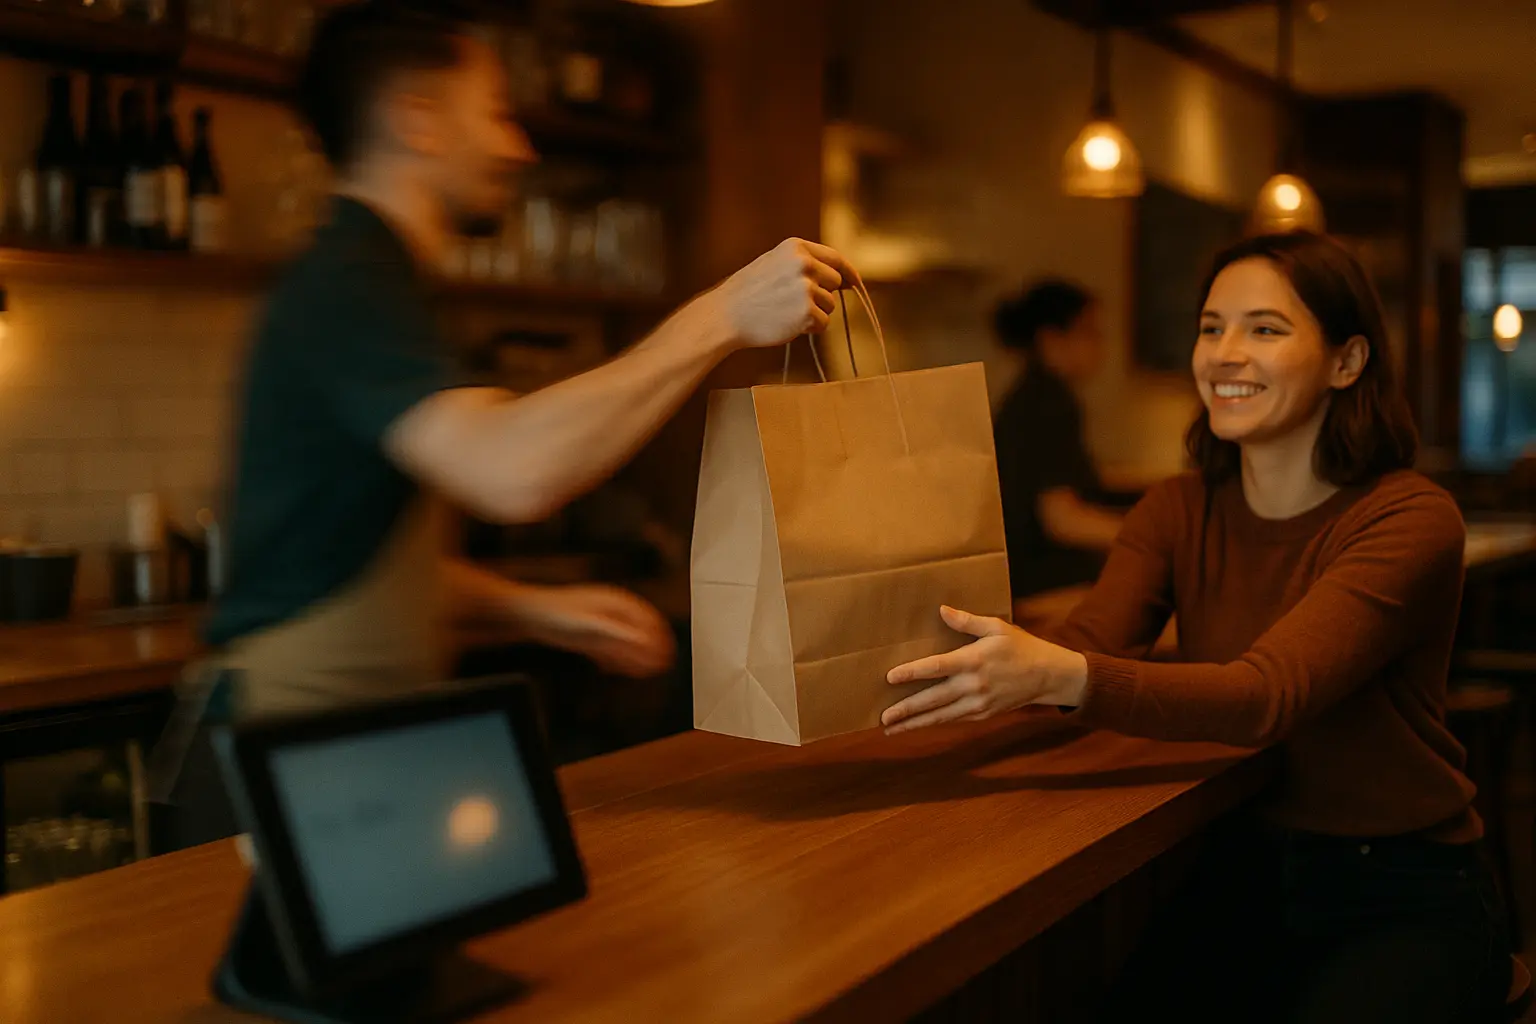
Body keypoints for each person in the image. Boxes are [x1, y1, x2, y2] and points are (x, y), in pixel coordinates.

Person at [151, 0, 857, 845]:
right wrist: (722, 315)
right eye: (492, 113)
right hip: (278, 754)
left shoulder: (374, 279)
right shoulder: (347, 282)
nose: (517, 147)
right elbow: (510, 473)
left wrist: (537, 611)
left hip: (343, 744)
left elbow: (353, 556)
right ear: (416, 120)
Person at [881, 232, 1513, 1022]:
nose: (1224, 354)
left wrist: (1057, 674)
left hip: (1400, 887)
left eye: (1265, 329)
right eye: (1212, 328)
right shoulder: (1176, 510)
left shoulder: (1408, 518)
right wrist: (949, 639)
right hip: (1243, 865)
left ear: (1347, 363)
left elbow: (1268, 696)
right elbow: (1090, 646)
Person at [990, 280, 1124, 604]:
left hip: (1025, 579)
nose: (1100, 345)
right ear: (1051, 339)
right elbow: (1061, 519)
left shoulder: (1030, 394)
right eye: (1090, 332)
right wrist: (1148, 537)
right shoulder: (1048, 402)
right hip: (1044, 584)